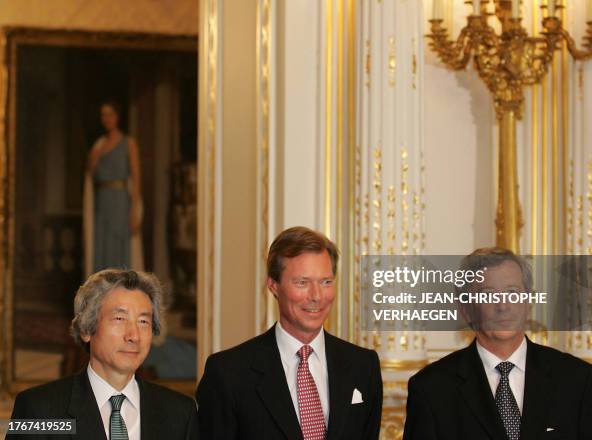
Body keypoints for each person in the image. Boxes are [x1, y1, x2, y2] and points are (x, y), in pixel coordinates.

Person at [196, 226, 383, 440]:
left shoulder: (363, 366)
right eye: (302, 283)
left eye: (326, 282)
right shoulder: (228, 374)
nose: (316, 296)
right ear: (273, 286)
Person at [402, 247, 592, 440]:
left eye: (512, 292)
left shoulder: (576, 379)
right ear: (465, 308)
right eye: (488, 294)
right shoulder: (431, 388)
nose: (503, 306)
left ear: (529, 301)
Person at [8, 269, 198, 440]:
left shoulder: (180, 413)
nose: (133, 335)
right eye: (119, 318)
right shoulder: (37, 409)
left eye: (143, 322)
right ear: (87, 329)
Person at [83, 101, 143, 275]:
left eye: (110, 114)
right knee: (101, 245)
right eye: (103, 115)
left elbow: (136, 177)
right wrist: (94, 157)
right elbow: (90, 176)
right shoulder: (99, 145)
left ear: (117, 116)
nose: (107, 119)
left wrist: (135, 209)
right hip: (102, 202)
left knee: (118, 246)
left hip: (120, 201)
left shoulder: (128, 143)